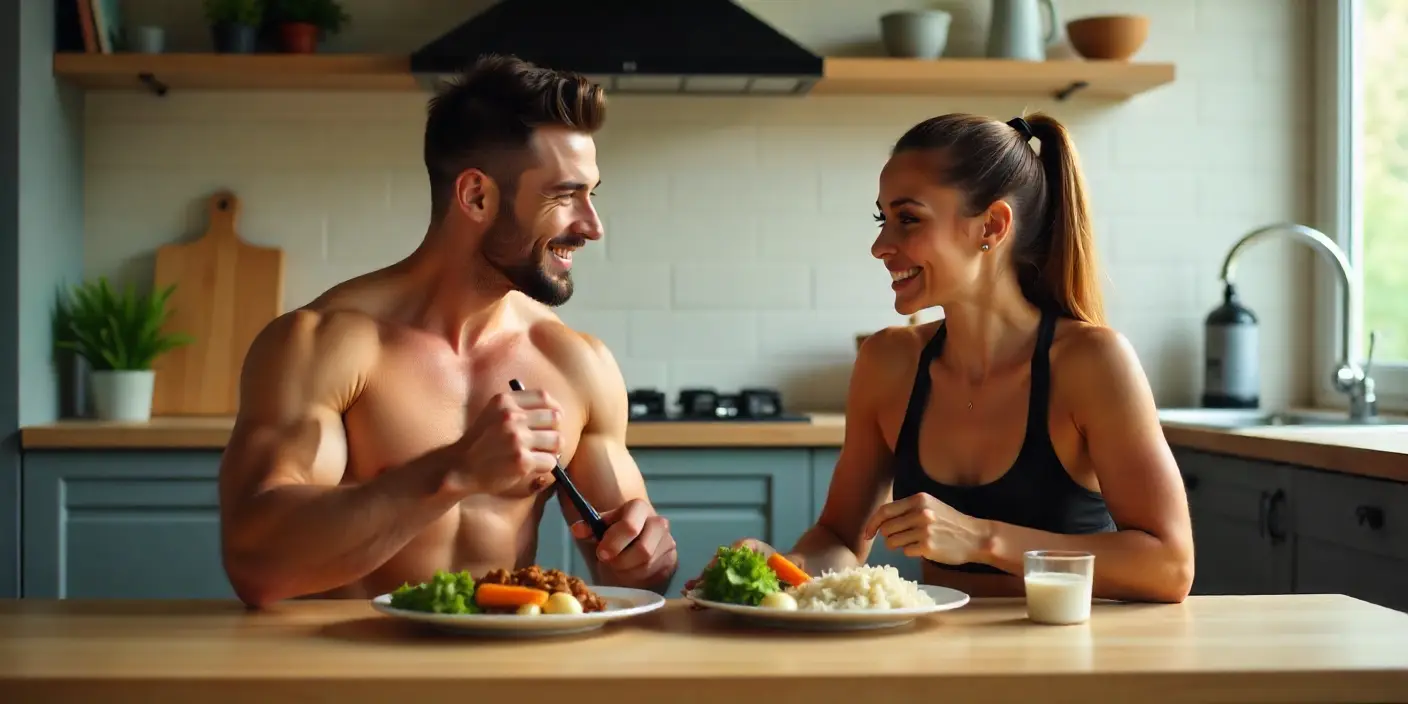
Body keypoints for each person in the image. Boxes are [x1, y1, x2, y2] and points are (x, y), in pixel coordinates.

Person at [218, 54, 679, 608]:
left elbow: (634, 580)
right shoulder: (323, 345)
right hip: (350, 658)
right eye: (564, 195)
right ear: (477, 196)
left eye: (591, 194)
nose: (592, 226)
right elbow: (255, 566)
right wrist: (455, 469)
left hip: (503, 658)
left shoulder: (576, 363)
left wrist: (646, 557)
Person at [691, 112, 1194, 603]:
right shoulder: (886, 362)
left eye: (908, 219)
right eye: (883, 219)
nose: (880, 246)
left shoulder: (1091, 362)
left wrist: (981, 539)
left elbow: (1169, 566)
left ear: (991, 226)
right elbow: (841, 539)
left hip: (1066, 649)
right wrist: (780, 565)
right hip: (938, 650)